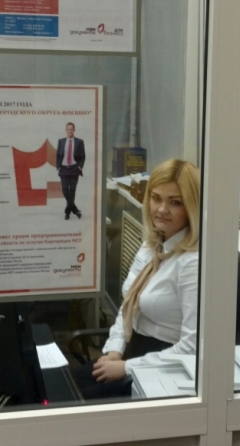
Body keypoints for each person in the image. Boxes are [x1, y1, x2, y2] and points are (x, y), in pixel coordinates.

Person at [72, 159, 200, 399]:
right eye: (156, 198)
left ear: (192, 207)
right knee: (60, 386)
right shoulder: (152, 246)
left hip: (164, 367)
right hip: (131, 351)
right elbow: (128, 307)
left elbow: (191, 348)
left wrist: (127, 367)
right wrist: (114, 350)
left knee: (72, 402)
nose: (161, 209)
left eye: (175, 202)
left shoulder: (192, 263)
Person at [55, 122, 85, 220]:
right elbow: (58, 155)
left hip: (74, 168)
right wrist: (58, 166)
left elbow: (82, 156)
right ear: (66, 130)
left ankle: (67, 213)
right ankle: (75, 210)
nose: (70, 131)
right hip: (63, 168)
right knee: (64, 190)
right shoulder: (61, 141)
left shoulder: (79, 142)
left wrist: (79, 167)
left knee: (72, 191)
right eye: (68, 129)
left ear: (74, 130)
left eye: (71, 129)